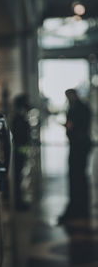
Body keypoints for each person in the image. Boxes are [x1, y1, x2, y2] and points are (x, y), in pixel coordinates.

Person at [58, 89, 91, 223]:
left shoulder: (76, 108)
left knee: (76, 175)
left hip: (78, 146)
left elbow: (73, 126)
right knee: (80, 175)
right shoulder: (82, 107)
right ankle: (81, 206)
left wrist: (68, 127)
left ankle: (77, 206)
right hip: (81, 145)